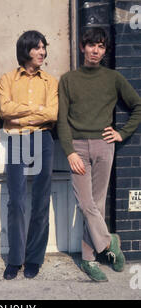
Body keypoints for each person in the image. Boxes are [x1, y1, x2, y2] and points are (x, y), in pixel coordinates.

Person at [57, 27, 141, 282]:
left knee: (96, 204)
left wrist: (121, 133)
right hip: (79, 148)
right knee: (86, 204)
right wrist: (69, 151)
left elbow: (137, 105)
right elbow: (61, 120)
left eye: (101, 46)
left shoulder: (113, 78)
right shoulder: (68, 79)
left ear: (105, 50)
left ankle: (89, 259)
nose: (96, 51)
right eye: (91, 45)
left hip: (104, 146)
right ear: (82, 47)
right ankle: (109, 241)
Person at [0, 30, 58, 280]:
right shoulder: (7, 79)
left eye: (44, 47)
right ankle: (15, 259)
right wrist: (37, 110)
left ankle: (34, 258)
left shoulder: (50, 81)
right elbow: (5, 110)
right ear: (25, 50)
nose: (42, 52)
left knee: (41, 200)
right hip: (17, 139)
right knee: (17, 201)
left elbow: (53, 114)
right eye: (37, 48)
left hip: (43, 139)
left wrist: (23, 114)